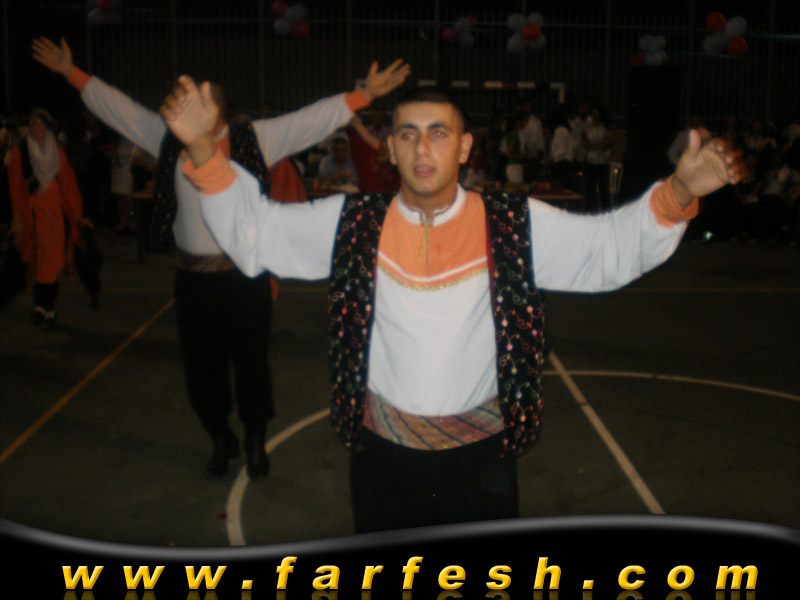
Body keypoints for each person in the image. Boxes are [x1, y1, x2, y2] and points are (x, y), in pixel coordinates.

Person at [161, 79, 745, 532]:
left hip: (479, 466)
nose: (422, 147)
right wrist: (204, 148)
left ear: (465, 147)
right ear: (390, 148)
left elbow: (607, 250)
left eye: (439, 133)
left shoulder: (512, 225)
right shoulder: (352, 224)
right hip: (382, 460)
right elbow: (257, 233)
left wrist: (678, 192)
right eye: (408, 134)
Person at [32, 36, 410, 480]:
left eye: (201, 99)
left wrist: (364, 95)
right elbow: (120, 109)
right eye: (186, 99)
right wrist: (71, 72)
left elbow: (309, 120)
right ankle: (219, 435)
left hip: (244, 277)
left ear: (221, 110)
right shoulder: (168, 138)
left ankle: (254, 438)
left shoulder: (254, 138)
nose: (190, 105)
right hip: (192, 278)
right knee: (201, 368)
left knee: (251, 363)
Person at [7, 108, 88, 330]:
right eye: (32, 123)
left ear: (47, 125)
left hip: (55, 215)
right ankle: (46, 307)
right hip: (33, 215)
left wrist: (76, 213)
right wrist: (17, 217)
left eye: (39, 123)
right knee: (38, 260)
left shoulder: (58, 151)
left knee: (52, 261)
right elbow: (15, 187)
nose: (35, 127)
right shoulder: (21, 152)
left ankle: (42, 306)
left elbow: (68, 184)